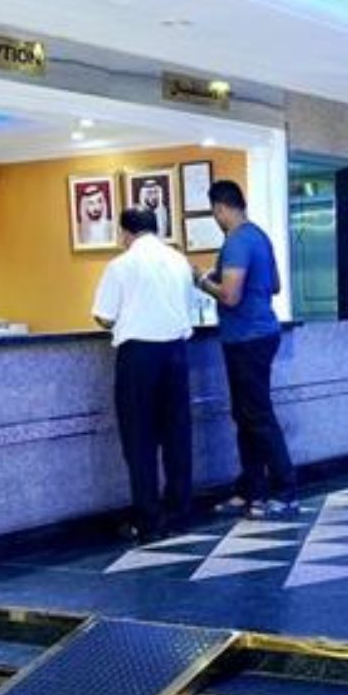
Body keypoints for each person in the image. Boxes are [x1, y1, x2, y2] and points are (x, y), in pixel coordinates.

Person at [93, 208, 198, 541]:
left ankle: (149, 520)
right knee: (177, 435)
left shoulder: (121, 265)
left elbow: (104, 316)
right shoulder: (179, 261)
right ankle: (179, 513)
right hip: (176, 353)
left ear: (126, 233)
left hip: (139, 356)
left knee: (139, 439)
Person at [195, 180, 297, 516]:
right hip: (261, 333)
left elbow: (230, 296)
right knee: (246, 416)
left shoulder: (237, 241)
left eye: (214, 212)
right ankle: (251, 490)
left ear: (220, 208)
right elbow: (275, 285)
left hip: (246, 338)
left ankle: (285, 491)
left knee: (258, 416)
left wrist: (202, 280)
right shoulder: (259, 236)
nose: (216, 217)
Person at [76, 184, 116, 248]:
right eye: (91, 203)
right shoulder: (77, 230)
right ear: (84, 206)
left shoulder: (112, 226)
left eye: (99, 201)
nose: (96, 207)